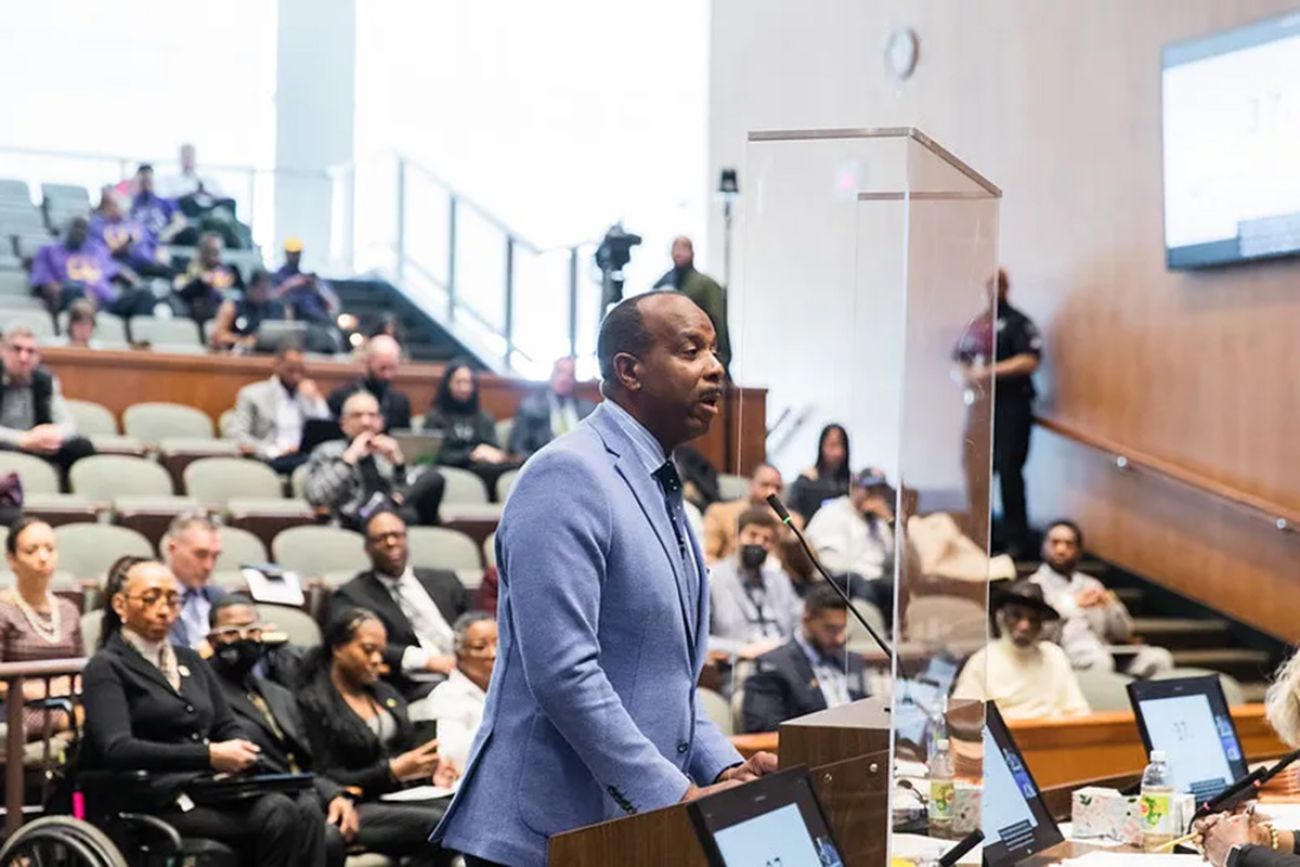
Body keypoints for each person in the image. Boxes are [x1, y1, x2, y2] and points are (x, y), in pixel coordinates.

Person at [435, 291, 776, 867]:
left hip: (618, 829)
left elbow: (662, 677)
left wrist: (721, 764)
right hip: (544, 837)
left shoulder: (662, 482)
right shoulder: (567, 474)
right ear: (629, 371)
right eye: (691, 350)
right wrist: (675, 795)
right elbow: (565, 675)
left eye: (714, 351)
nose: (716, 367)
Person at [79, 556, 325, 866]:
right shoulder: (106, 666)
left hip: (209, 786)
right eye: (151, 598)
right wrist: (208, 755)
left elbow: (226, 725)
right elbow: (117, 748)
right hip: (153, 797)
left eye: (172, 599)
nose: (164, 608)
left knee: (307, 805)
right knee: (279, 812)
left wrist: (239, 749)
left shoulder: (190, 660)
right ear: (120, 604)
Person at [297, 607, 458, 866]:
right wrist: (392, 771)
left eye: (380, 651)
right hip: (350, 804)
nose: (376, 660)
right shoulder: (313, 702)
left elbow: (399, 756)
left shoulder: (383, 692)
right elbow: (324, 775)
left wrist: (428, 771)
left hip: (393, 797)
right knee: (443, 825)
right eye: (367, 649)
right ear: (338, 648)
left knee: (463, 812)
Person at [206, 595, 354, 867]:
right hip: (249, 798)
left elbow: (307, 760)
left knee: (328, 834)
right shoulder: (205, 690)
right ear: (211, 640)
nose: (244, 638)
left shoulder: (279, 694)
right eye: (231, 632)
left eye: (252, 630)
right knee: (310, 816)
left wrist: (334, 793)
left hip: (300, 793)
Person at [330, 510, 473, 698]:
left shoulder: (445, 580)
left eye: (396, 535)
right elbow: (354, 645)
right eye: (381, 538)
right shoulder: (352, 595)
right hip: (417, 682)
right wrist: (426, 661)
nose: (391, 543)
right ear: (367, 548)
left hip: (471, 670)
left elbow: (473, 625)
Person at [953, 267, 1042, 557]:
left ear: (1007, 288)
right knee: (975, 470)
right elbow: (958, 363)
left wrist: (989, 372)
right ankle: (981, 534)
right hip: (980, 408)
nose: (995, 290)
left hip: (1011, 407)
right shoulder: (977, 324)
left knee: (1009, 470)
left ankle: (1016, 539)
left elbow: (1029, 360)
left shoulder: (1018, 323)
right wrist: (968, 375)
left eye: (1000, 285)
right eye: (991, 285)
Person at [1029, 520, 1174, 678]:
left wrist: (1112, 606)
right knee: (1099, 662)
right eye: (1055, 543)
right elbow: (1037, 632)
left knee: (1160, 658)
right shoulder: (1033, 586)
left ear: (1078, 550)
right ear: (1043, 546)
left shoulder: (1092, 584)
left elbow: (1123, 633)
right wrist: (1073, 604)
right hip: (1062, 656)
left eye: (1069, 544)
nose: (1061, 550)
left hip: (1105, 649)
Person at [739, 583, 869, 734]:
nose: (840, 638)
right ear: (806, 619)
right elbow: (765, 732)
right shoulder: (772, 667)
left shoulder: (853, 661)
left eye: (842, 628)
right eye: (830, 629)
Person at [304, 391, 445, 530]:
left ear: (380, 422)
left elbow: (407, 489)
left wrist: (399, 465)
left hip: (393, 514)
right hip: (356, 518)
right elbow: (317, 496)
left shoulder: (387, 450)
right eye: (357, 416)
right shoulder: (327, 451)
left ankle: (389, 504)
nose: (366, 422)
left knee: (434, 477)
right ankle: (385, 508)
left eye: (372, 415)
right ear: (343, 423)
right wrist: (349, 459)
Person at [952, 580, 1090, 720]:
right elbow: (964, 720)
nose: (1024, 626)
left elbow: (1078, 711)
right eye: (1016, 616)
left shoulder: (1054, 656)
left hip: (1051, 736)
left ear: (1041, 626)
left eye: (1033, 619)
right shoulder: (983, 661)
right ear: (1002, 618)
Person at [0, 517, 83, 738]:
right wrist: (30, 690)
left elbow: (80, 668)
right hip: (16, 706)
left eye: (50, 549)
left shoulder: (68, 610)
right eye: (31, 550)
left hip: (67, 699)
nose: (44, 557)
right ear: (12, 559)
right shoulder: (3, 609)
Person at [708, 508, 803, 659]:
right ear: (736, 538)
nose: (759, 543)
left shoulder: (779, 579)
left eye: (766, 539)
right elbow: (699, 639)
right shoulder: (713, 579)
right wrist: (742, 650)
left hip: (782, 660)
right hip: (739, 661)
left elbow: (799, 624)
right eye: (752, 535)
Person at [0, 326, 95, 474]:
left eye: (30, 351)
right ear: (2, 351)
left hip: (38, 445)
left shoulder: (45, 380)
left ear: (37, 357)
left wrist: (53, 434)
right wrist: (23, 439)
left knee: (81, 446)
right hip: (5, 443)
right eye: (16, 349)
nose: (23, 358)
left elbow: (70, 425)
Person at [804, 468, 896, 617]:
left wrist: (891, 523)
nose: (875, 497)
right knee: (858, 582)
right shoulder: (833, 512)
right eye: (870, 490)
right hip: (839, 578)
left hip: (875, 580)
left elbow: (895, 562)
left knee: (894, 586)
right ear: (854, 488)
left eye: (880, 491)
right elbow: (819, 554)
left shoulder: (881, 523)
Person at [424, 361, 519, 501]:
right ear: (448, 384)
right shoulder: (435, 417)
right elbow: (433, 456)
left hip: (485, 466)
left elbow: (493, 449)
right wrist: (470, 455)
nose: (464, 388)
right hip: (457, 465)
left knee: (516, 466)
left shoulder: (483, 417)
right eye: (459, 382)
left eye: (468, 382)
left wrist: (494, 454)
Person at [229, 343, 330, 473]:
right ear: (277, 365)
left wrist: (317, 399)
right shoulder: (252, 394)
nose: (297, 376)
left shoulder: (306, 395)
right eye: (291, 370)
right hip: (270, 458)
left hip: (304, 457)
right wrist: (274, 451)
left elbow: (325, 429)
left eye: (301, 371)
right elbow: (238, 435)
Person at [418, 612, 497, 774]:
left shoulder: (515, 689)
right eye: (480, 647)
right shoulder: (445, 695)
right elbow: (452, 757)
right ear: (459, 653)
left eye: (499, 644)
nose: (493, 654)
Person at [29, 217, 154, 316]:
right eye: (76, 227)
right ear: (66, 229)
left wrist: (137, 282)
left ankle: (139, 345)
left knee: (144, 294)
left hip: (106, 303)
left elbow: (117, 271)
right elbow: (47, 284)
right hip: (75, 301)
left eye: (83, 229)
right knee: (72, 289)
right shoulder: (49, 251)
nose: (80, 232)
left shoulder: (96, 250)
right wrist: (85, 296)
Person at [652, 236, 732, 372]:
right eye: (675, 249)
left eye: (683, 248)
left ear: (692, 253)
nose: (678, 253)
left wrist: (721, 359)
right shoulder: (662, 284)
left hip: (701, 356)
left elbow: (718, 323)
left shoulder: (706, 285)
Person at [701, 462, 799, 564]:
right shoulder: (721, 513)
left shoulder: (790, 520)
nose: (771, 492)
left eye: (778, 488)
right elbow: (708, 556)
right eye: (765, 485)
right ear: (751, 484)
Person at [506, 356, 597, 459]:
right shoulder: (530, 408)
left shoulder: (589, 409)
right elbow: (517, 448)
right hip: (543, 465)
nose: (564, 379)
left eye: (570, 375)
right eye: (560, 373)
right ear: (551, 376)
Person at [163, 512, 227, 650]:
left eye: (215, 556)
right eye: (201, 555)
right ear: (172, 549)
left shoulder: (220, 598)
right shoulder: (151, 600)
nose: (208, 566)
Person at [327, 335, 412, 431]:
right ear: (367, 363)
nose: (387, 375)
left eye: (392, 368)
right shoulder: (341, 396)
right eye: (382, 368)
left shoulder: (400, 402)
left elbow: (404, 439)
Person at [89, 188, 172, 278]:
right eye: (113, 204)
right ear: (105, 206)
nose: (118, 207)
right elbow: (99, 253)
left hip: (148, 265)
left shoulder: (133, 222)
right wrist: (124, 245)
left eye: (119, 203)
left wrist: (160, 251)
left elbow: (155, 243)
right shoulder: (97, 225)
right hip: (123, 267)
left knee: (172, 274)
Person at [208, 269, 289, 352]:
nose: (265, 293)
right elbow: (218, 335)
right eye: (261, 289)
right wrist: (244, 341)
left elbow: (289, 334)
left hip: (271, 355)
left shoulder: (278, 308)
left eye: (267, 289)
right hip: (237, 355)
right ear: (251, 287)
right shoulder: (232, 306)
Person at [172, 231, 243, 323]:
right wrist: (200, 281)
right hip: (191, 314)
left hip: (221, 318)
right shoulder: (187, 268)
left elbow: (239, 295)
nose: (213, 256)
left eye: (216, 251)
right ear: (201, 251)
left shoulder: (229, 272)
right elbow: (178, 287)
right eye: (209, 251)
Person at [788, 423, 852, 520]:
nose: (837, 452)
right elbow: (793, 513)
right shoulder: (806, 480)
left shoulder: (852, 483)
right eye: (832, 445)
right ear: (821, 446)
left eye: (842, 446)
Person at [273, 237, 340, 325]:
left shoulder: (311, 280)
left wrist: (315, 287)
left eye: (297, 254)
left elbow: (333, 306)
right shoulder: (279, 277)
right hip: (294, 321)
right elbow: (272, 296)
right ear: (286, 254)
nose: (295, 257)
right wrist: (291, 285)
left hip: (317, 320)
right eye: (292, 254)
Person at [129, 163, 186, 245]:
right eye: (143, 181)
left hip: (159, 243)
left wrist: (166, 234)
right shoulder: (130, 203)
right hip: (137, 244)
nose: (146, 183)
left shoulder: (165, 202)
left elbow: (180, 221)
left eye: (148, 180)